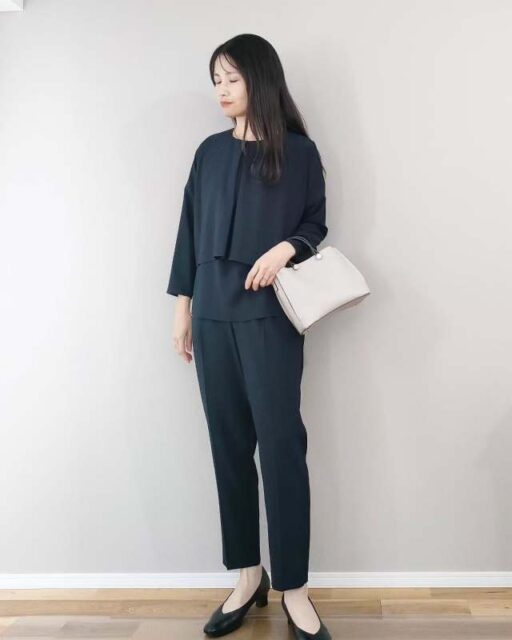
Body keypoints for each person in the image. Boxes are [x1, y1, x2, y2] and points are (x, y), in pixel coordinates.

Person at [166, 33, 331, 640]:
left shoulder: (298, 152)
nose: (221, 90)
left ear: (260, 79)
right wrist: (182, 310)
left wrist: (286, 248)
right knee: (228, 449)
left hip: (269, 318)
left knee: (282, 449)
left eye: (231, 78)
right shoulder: (208, 153)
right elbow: (188, 231)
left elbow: (315, 223)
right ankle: (246, 576)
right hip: (211, 316)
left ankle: (295, 588)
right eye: (216, 80)